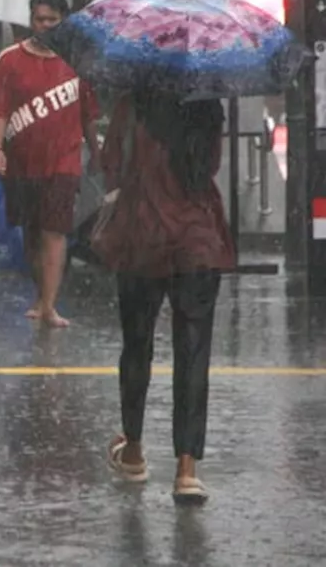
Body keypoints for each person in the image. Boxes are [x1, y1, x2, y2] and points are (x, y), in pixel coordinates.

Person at [99, 91, 233, 505]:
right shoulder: (207, 101)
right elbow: (209, 166)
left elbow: (111, 167)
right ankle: (187, 469)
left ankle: (134, 450)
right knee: (193, 353)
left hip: (143, 236)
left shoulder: (135, 98)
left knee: (137, 345)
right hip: (197, 239)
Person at [0, 0, 100, 328]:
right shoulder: (9, 60)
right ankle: (42, 294)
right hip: (22, 161)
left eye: (52, 20)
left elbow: (89, 114)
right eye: (39, 19)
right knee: (32, 232)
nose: (45, 25)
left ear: (64, 20)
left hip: (63, 161)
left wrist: (96, 151)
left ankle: (50, 305)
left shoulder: (79, 61)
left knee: (55, 230)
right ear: (30, 20)